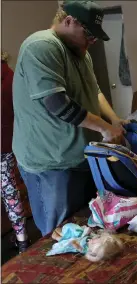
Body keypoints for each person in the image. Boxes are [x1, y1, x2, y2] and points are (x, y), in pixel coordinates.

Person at [12, 1, 126, 236]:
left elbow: (94, 91)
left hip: (81, 156)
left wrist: (114, 119)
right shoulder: (41, 46)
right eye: (89, 33)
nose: (92, 41)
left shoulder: (82, 55)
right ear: (69, 21)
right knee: (59, 233)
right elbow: (56, 103)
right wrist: (104, 128)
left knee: (87, 225)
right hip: (51, 162)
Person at [1, 55, 29, 253]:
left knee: (10, 192)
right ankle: (22, 241)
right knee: (10, 191)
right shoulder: (10, 75)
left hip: (4, 145)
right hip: (7, 143)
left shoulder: (8, 77)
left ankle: (22, 240)